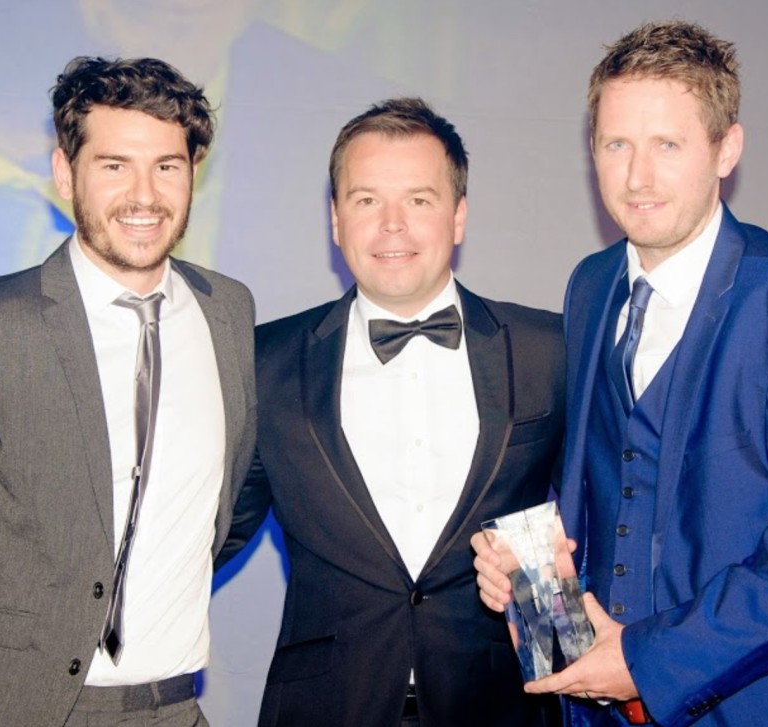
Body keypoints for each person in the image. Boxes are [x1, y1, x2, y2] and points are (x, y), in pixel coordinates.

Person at [472, 20, 768, 726]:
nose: (638, 177)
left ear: (726, 148)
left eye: (667, 144)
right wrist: (530, 581)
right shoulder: (591, 284)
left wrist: (646, 660)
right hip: (602, 709)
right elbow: (603, 487)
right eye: (616, 145)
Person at [0, 57, 256, 726]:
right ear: (64, 173)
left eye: (166, 166)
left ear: (193, 172)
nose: (144, 194)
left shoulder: (227, 310)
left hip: (177, 704)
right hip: (25, 709)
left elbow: (213, 515)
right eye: (114, 165)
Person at [218, 97, 566, 726]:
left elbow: (605, 519)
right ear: (335, 218)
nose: (392, 225)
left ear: (458, 216)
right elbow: (211, 533)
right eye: (366, 200)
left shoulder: (550, 350)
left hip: (500, 708)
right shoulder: (264, 359)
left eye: (419, 200)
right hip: (326, 707)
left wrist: (558, 603)